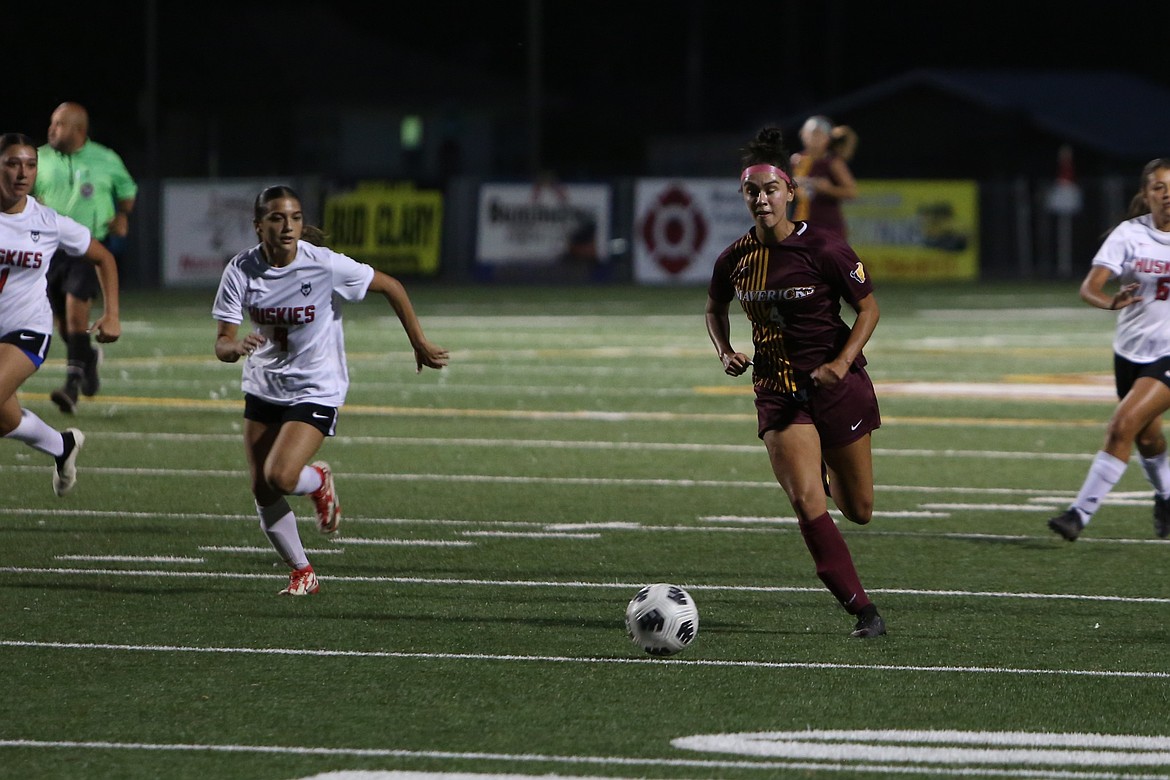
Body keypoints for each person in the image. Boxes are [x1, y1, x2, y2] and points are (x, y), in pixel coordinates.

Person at [212, 185, 449, 596]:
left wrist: (419, 342)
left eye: (295, 217)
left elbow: (391, 286)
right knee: (261, 488)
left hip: (316, 387)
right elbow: (222, 341)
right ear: (258, 226)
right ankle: (302, 571)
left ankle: (317, 482)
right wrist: (234, 347)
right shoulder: (240, 270)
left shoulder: (325, 265)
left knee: (282, 475)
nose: (288, 226)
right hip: (264, 386)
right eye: (277, 218)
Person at [705, 126, 886, 638]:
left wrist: (843, 360)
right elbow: (714, 308)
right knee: (807, 501)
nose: (762, 199)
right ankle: (864, 612)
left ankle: (827, 461)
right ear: (744, 197)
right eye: (752, 192)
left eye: (771, 190)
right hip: (777, 391)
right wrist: (724, 351)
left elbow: (869, 309)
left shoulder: (825, 248)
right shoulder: (735, 258)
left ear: (789, 192)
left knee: (860, 510)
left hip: (837, 386)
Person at [1048, 157, 1170, 542]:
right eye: (1159, 188)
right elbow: (1090, 286)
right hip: (1130, 352)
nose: (1167, 196)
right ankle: (1167, 498)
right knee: (1147, 438)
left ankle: (1078, 514)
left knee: (1121, 425)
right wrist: (1109, 301)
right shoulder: (1130, 234)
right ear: (1146, 194)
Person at [0, 133, 120, 495]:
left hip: (27, 330)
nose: (23, 173)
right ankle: (61, 445)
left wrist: (112, 313)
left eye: (30, 165)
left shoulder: (48, 222)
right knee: (6, 420)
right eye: (13, 163)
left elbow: (104, 258)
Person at [33, 102, 137, 414]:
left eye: (59, 124)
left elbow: (128, 190)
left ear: (79, 130)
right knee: (64, 326)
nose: (52, 129)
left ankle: (71, 386)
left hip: (88, 247)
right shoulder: (38, 158)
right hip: (48, 251)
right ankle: (87, 359)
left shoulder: (105, 159)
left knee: (77, 313)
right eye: (52, 122)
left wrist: (122, 214)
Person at [789, 115, 858, 240]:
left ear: (827, 138)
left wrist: (828, 189)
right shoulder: (797, 160)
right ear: (803, 135)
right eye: (811, 134)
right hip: (801, 224)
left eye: (818, 134)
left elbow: (851, 192)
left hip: (828, 228)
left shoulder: (832, 162)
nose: (814, 138)